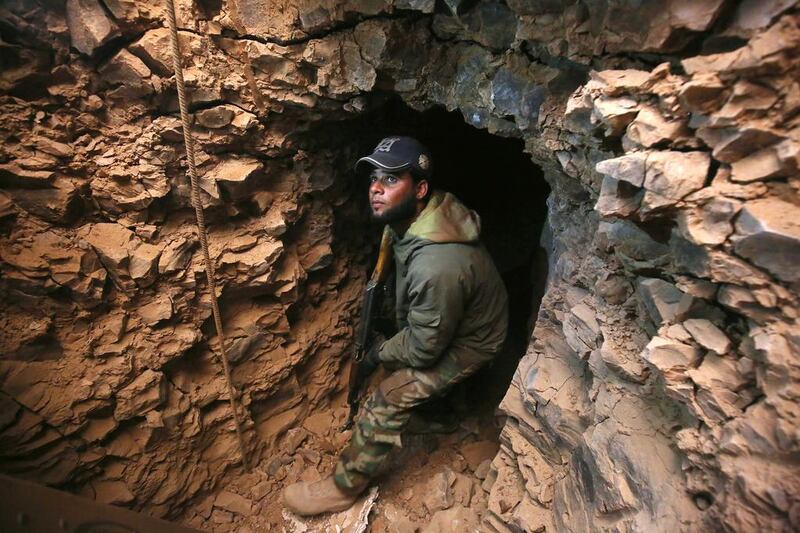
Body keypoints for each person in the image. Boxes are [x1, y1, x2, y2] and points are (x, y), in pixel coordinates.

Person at [282, 136, 509, 516]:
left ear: (420, 189)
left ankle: (343, 487)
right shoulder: (417, 218)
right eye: (374, 177)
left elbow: (424, 349)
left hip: (474, 342)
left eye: (390, 180)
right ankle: (444, 413)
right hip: (455, 320)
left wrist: (378, 352)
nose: (375, 187)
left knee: (389, 396)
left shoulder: (437, 264)